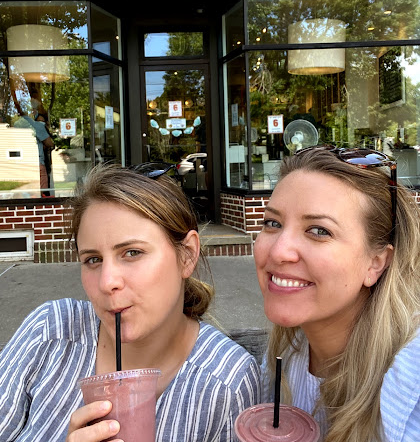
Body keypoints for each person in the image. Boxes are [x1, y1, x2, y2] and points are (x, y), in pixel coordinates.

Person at [0, 164, 261, 442]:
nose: (107, 282)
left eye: (132, 252)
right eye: (93, 260)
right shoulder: (50, 334)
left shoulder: (225, 383)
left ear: (186, 255)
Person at [254, 146, 420, 442]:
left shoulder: (410, 384)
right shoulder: (284, 358)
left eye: (319, 231)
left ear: (376, 263)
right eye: (273, 223)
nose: (279, 251)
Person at [14, 111, 54, 195]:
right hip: (38, 162)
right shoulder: (38, 126)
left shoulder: (21, 125)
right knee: (43, 188)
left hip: (23, 162)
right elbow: (50, 143)